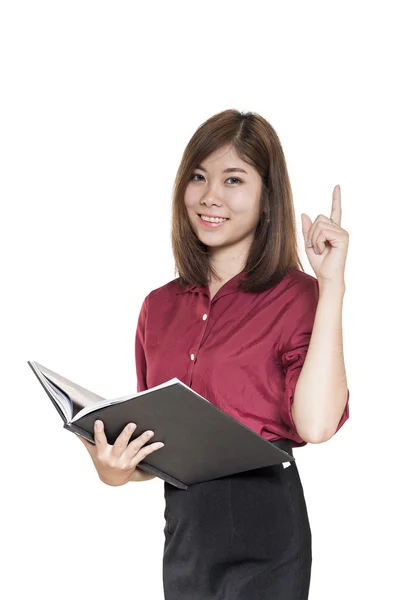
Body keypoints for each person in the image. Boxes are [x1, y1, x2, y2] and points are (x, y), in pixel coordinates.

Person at [78, 109, 350, 600]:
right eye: (199, 177)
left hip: (266, 533)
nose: (210, 196)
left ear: (267, 199)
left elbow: (316, 425)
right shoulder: (158, 307)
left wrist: (331, 285)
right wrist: (115, 468)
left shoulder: (297, 295)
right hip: (185, 537)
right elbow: (159, 444)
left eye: (233, 179)